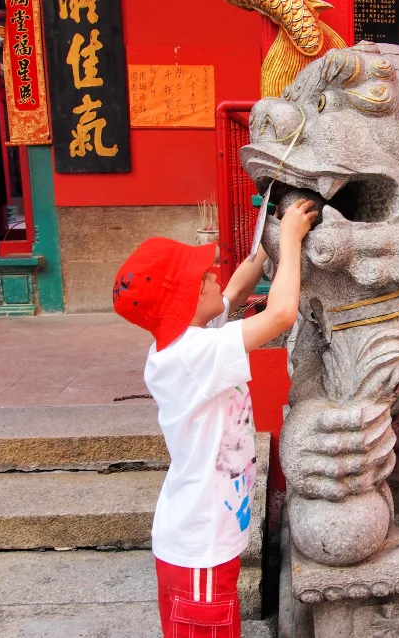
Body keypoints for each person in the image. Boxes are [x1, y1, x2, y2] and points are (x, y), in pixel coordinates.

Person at [112, 198, 317, 638]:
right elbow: (281, 313)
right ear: (184, 299)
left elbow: (238, 290)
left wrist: (266, 245)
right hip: (198, 549)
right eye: (201, 277)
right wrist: (290, 240)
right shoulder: (194, 354)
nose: (211, 277)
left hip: (195, 539)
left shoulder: (184, 342)